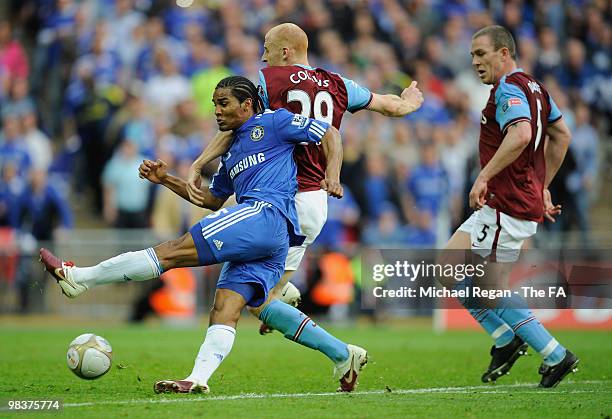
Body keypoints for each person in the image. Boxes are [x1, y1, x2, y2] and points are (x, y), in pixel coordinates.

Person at [40, 76, 367, 394]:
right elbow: (210, 199)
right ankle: (203, 377)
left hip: (265, 215)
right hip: (268, 235)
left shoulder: (275, 123)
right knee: (226, 307)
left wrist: (332, 176)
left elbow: (330, 133)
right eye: (214, 104)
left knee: (171, 252)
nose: (217, 111)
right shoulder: (231, 155)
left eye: (224, 103)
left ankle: (80, 277)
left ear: (247, 104)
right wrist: (166, 179)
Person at [185, 23, 424, 333]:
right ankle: (282, 295)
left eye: (267, 49)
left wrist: (200, 161)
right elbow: (389, 106)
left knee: (246, 297)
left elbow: (237, 127)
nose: (262, 56)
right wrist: (411, 102)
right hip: (315, 205)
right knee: (261, 294)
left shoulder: (269, 81)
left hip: (279, 199)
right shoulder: (338, 84)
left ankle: (313, 328)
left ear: (285, 51)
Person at [438, 25, 577, 388]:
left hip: (507, 203)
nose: (475, 61)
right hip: (508, 202)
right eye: (471, 55)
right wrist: (541, 186)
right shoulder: (537, 89)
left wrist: (484, 175)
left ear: (504, 53)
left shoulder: (509, 88)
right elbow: (561, 135)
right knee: (447, 268)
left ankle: (555, 354)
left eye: (481, 53)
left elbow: (521, 134)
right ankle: (506, 338)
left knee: (488, 290)